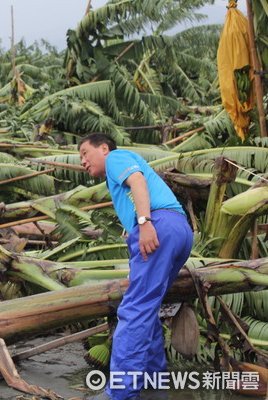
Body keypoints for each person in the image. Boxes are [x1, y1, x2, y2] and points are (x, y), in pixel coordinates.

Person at [78, 133, 193, 400]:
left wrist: (144, 223)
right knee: (147, 309)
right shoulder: (117, 172)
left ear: (104, 148)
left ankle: (118, 393)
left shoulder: (116, 158)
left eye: (85, 152)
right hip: (178, 230)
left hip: (160, 225)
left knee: (134, 309)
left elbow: (138, 181)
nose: (82, 161)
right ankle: (153, 388)